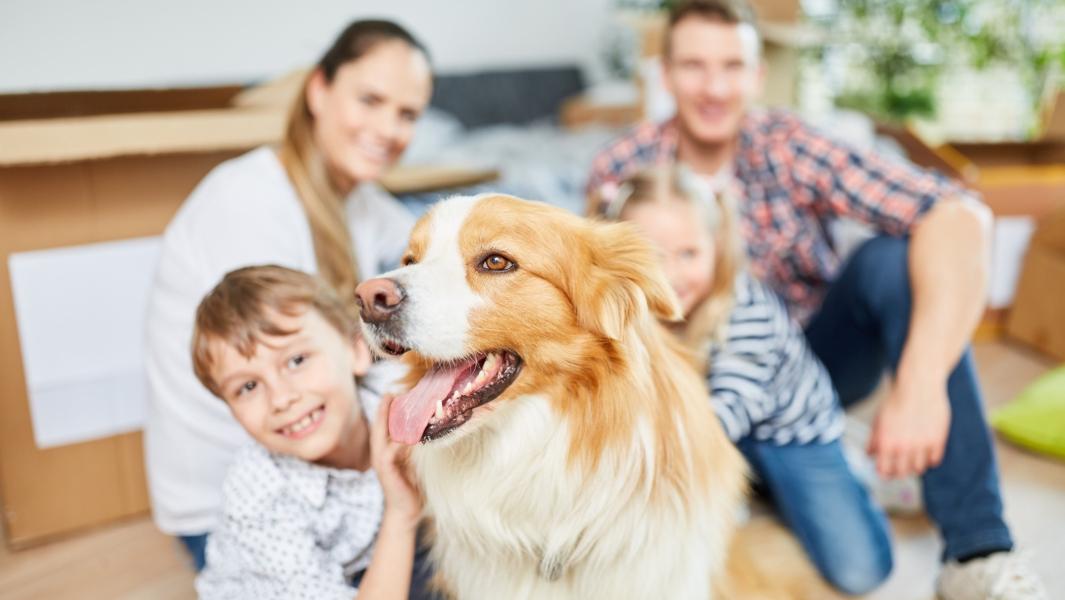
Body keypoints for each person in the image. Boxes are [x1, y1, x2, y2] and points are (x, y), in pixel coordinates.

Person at [586, 2, 1047, 598]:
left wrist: (920, 386)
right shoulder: (620, 174)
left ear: (757, 75)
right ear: (665, 73)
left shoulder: (789, 146)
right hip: (681, 383)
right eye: (695, 66)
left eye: (732, 66)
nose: (715, 86)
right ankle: (808, 474)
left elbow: (958, 214)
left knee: (894, 259)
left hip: (803, 368)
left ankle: (977, 550)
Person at [144, 19, 432, 570]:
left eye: (407, 114)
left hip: (331, 471)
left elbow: (432, 245)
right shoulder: (250, 204)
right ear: (318, 90)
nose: (387, 128)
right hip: (235, 502)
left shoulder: (356, 199)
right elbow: (299, 371)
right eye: (370, 99)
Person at [606, 165, 891, 595]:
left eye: (689, 254)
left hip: (787, 432)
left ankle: (851, 472)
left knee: (860, 570)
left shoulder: (746, 313)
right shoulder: (625, 306)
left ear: (716, 249)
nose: (673, 276)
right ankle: (751, 490)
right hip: (707, 426)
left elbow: (721, 420)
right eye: (653, 257)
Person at [190, 265, 430, 599]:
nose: (282, 398)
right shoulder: (257, 494)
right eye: (247, 386)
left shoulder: (395, 394)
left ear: (356, 351)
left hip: (370, 556)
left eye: (297, 360)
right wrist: (402, 512)